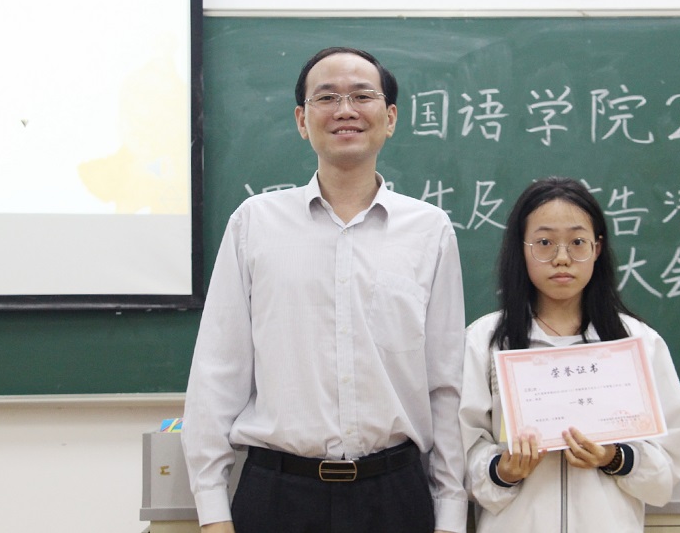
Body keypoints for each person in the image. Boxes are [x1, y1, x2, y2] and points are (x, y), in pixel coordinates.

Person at [182, 47, 467, 533]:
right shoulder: (254, 224)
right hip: (277, 496)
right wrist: (212, 511)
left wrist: (451, 513)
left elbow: (445, 382)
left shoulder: (429, 229)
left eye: (362, 95)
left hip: (395, 495)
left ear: (390, 117)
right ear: (302, 120)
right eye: (327, 97)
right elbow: (218, 369)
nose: (345, 110)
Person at [458, 176, 680, 532]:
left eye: (577, 242)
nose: (562, 258)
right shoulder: (484, 341)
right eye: (545, 243)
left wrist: (615, 458)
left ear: (597, 249)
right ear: (522, 249)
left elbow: (669, 465)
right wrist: (503, 470)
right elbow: (462, 453)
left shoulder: (639, 342)